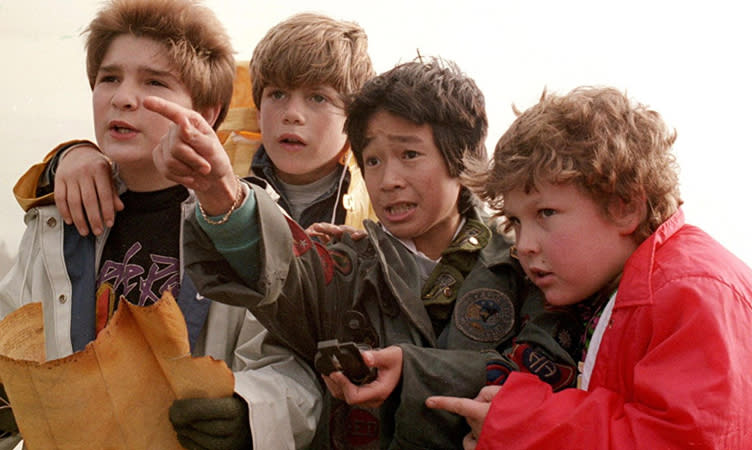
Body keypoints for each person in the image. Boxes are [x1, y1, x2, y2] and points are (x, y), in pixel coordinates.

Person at [151, 57, 583, 449]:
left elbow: (548, 377)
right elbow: (282, 272)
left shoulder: (526, 264)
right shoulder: (348, 263)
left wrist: (412, 371)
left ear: (463, 158)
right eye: (372, 161)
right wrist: (219, 189)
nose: (388, 179)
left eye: (409, 154)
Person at [0, 1, 321, 449]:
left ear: (207, 110)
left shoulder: (248, 225)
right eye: (109, 78)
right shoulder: (56, 223)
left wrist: (250, 413)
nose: (122, 97)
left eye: (154, 82)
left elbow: (295, 370)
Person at [427, 86, 752, 449]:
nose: (523, 245)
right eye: (516, 222)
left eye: (545, 213)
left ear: (625, 207)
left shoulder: (694, 292)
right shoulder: (620, 286)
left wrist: (520, 426)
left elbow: (682, 442)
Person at [13, 12, 376, 239]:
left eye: (318, 99)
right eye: (277, 94)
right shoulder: (214, 166)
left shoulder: (377, 193)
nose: (293, 114)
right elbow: (141, 172)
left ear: (354, 116)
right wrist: (70, 155)